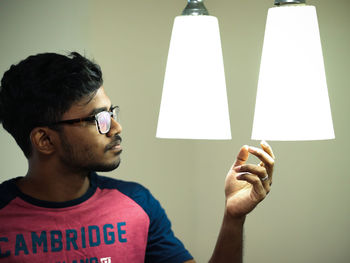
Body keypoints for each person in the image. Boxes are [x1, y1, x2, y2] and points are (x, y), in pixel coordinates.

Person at [0, 52, 275, 263]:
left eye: (112, 114)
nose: (116, 128)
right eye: (99, 119)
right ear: (45, 140)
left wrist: (233, 216)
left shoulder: (137, 204)